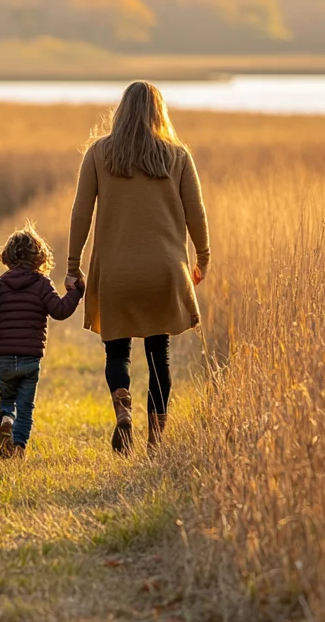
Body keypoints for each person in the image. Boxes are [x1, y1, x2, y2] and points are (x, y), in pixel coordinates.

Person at [65, 81, 210, 455]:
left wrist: (72, 265)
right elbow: (197, 213)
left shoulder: (99, 153)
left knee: (117, 352)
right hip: (163, 271)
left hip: (116, 271)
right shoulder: (177, 156)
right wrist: (203, 257)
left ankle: (123, 410)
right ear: (158, 112)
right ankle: (154, 442)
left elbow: (81, 212)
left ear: (121, 110)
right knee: (158, 354)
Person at [0, 225, 83, 459]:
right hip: (30, 357)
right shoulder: (42, 284)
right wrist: (76, 293)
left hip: (4, 356)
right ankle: (18, 448)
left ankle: (6, 418)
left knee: (7, 398)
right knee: (26, 407)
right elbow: (59, 311)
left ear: (8, 256)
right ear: (39, 256)